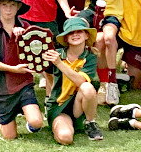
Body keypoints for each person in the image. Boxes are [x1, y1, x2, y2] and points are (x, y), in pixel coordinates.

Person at [0, 0, 46, 139]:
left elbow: (37, 57)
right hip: (2, 88)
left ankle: (28, 115)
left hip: (24, 84)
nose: (8, 9)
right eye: (4, 5)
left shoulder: (27, 27)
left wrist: (24, 38)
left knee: (36, 123)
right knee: (10, 137)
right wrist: (13, 68)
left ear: (18, 7)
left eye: (12, 5)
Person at [44, 14, 103, 143]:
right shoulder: (57, 54)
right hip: (59, 106)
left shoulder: (90, 57)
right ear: (66, 37)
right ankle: (61, 124)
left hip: (79, 105)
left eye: (79, 31)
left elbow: (81, 81)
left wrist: (59, 64)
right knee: (65, 138)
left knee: (87, 87)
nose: (75, 35)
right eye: (71, 33)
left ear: (87, 35)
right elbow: (39, 66)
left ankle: (90, 123)